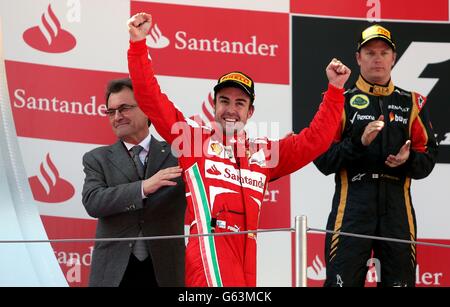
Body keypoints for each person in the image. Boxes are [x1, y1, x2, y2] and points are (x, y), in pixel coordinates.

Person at [126, 12, 351, 287]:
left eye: (239, 103)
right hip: (209, 252)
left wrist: (335, 90)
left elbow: (316, 140)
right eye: (224, 101)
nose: (231, 110)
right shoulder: (193, 141)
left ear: (250, 111)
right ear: (214, 105)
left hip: (247, 252)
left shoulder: (265, 154)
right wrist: (138, 45)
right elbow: (151, 99)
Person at [314, 24, 438, 287]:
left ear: (394, 57)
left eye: (384, 52)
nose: (377, 58)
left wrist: (409, 160)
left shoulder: (413, 103)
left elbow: (427, 159)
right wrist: (358, 143)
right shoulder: (340, 101)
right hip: (352, 207)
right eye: (370, 52)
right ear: (358, 58)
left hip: (398, 210)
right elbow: (322, 159)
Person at [81, 78, 186, 287]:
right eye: (111, 112)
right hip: (114, 273)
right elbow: (93, 202)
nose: (117, 117)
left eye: (124, 108)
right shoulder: (96, 158)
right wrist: (143, 188)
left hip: (166, 272)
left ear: (146, 109)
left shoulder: (179, 155)